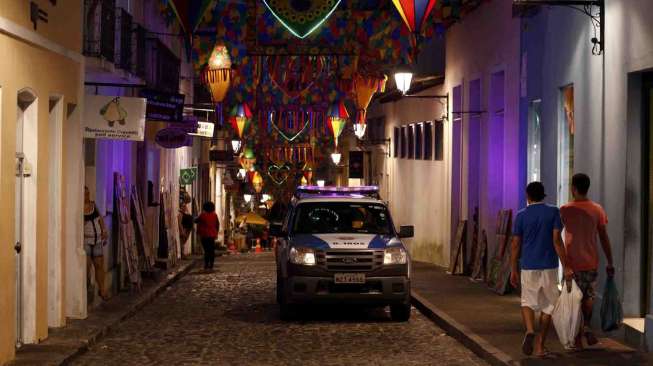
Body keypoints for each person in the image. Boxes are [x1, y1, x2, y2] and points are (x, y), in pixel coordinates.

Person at [510, 182, 571, 357]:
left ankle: (529, 330)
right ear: (543, 195)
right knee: (549, 306)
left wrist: (513, 268)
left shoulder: (521, 216)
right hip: (549, 266)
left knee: (527, 302)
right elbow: (557, 241)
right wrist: (566, 266)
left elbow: (515, 244)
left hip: (528, 265)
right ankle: (539, 346)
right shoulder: (553, 211)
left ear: (527, 196)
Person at [560, 173, 615, 349]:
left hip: (571, 263)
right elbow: (604, 237)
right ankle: (586, 326)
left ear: (573, 188)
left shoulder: (565, 209)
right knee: (588, 297)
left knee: (572, 300)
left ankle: (576, 339)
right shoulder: (597, 209)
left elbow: (555, 236)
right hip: (591, 261)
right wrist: (610, 261)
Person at [83, 186, 109, 300]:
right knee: (86, 266)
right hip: (87, 241)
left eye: (88, 193)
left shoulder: (94, 205)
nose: (87, 196)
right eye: (85, 194)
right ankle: (85, 289)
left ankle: (102, 289)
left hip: (97, 239)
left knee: (99, 265)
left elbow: (100, 220)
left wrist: (104, 230)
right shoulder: (80, 208)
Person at [195, 201, 220, 271]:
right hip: (212, 235)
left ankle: (206, 265)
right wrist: (216, 232)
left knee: (206, 250)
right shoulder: (215, 215)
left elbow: (196, 220)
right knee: (211, 250)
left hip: (204, 235)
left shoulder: (203, 215)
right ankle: (211, 265)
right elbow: (217, 224)